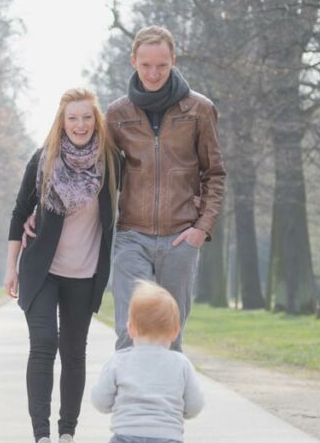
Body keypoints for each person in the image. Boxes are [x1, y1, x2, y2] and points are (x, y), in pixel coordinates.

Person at [24, 25, 225, 351]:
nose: (154, 73)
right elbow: (84, 164)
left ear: (173, 60)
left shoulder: (199, 110)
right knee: (130, 331)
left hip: (181, 237)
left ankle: (168, 387)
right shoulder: (118, 114)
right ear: (133, 61)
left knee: (170, 335)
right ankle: (127, 386)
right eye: (146, 65)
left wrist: (201, 228)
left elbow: (214, 173)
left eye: (161, 65)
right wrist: (40, 209)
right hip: (132, 237)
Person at [5, 88, 121, 443]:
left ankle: (67, 432)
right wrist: (10, 267)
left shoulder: (110, 163)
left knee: (74, 352)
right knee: (43, 344)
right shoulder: (43, 160)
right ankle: (41, 437)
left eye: (87, 117)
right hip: (43, 271)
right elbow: (18, 212)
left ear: (96, 121)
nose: (80, 125)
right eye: (73, 118)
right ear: (62, 121)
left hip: (85, 273)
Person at [82, 280, 214, 443]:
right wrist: (181, 412)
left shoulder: (119, 360)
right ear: (175, 331)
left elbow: (100, 401)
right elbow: (195, 405)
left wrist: (114, 405)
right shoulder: (181, 364)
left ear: (130, 328)